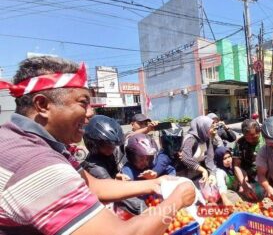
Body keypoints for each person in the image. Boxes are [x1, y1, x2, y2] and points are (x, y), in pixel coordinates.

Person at [0, 56, 195, 235]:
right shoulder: (34, 162)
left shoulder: (30, 141)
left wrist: (156, 183)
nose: (90, 113)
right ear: (42, 105)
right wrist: (176, 200)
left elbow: (93, 186)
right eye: (83, 103)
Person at [82, 115, 127, 180]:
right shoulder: (94, 166)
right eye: (106, 145)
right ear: (94, 144)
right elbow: (112, 187)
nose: (111, 148)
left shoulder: (111, 154)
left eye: (113, 144)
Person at [233, 119, 265, 200]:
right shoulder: (239, 143)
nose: (250, 140)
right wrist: (244, 185)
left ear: (259, 132)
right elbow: (236, 165)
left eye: (254, 137)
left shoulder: (266, 140)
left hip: (265, 175)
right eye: (247, 137)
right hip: (246, 176)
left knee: (260, 194)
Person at [178, 115, 217, 184]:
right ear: (202, 127)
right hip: (187, 174)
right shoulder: (190, 139)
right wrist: (203, 170)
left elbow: (210, 157)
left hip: (200, 172)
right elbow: (185, 157)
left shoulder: (206, 137)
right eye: (210, 127)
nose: (212, 130)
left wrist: (212, 173)